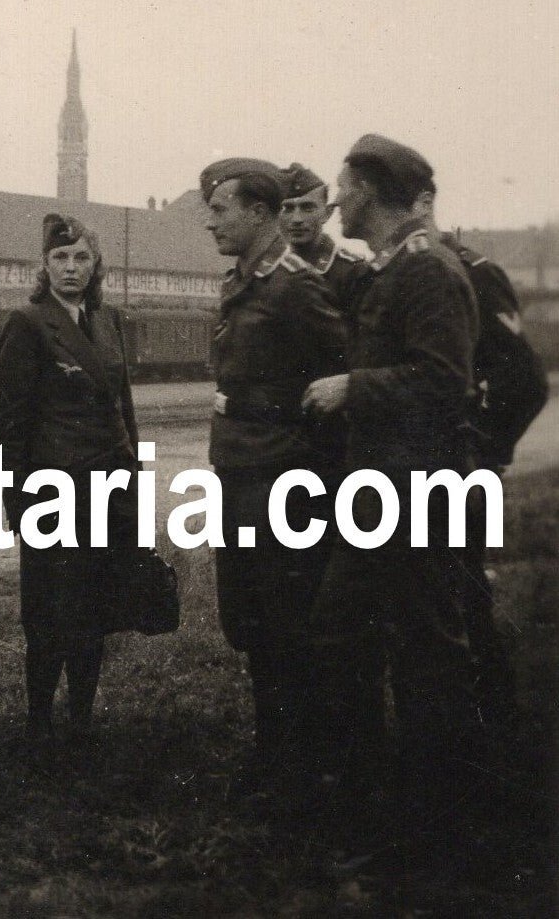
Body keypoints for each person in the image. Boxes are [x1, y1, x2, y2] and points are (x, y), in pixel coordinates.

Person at [302, 134, 484, 843]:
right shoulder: (392, 269)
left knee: (426, 648)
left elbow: (443, 381)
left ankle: (439, 812)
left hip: (414, 491)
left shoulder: (428, 271)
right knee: (346, 633)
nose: (335, 202)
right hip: (381, 492)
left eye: (342, 189)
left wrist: (356, 386)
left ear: (370, 193)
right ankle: (381, 795)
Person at [0, 214, 178, 757]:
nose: (70, 268)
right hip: (54, 493)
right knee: (49, 612)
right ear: (44, 266)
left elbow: (124, 409)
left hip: (110, 489)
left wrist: (136, 484)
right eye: (59, 258)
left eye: (80, 258)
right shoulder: (28, 324)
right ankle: (38, 726)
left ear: (96, 266)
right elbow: (12, 422)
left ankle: (80, 723)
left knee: (94, 609)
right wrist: (16, 496)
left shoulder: (108, 321)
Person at [199, 159, 348, 799]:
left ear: (259, 213)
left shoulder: (293, 286)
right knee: (253, 620)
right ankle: (274, 754)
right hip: (240, 470)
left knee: (287, 621)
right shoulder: (241, 281)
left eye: (220, 209)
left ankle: (300, 765)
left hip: (283, 475)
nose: (210, 222)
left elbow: (343, 374)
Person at [413, 187, 549, 723]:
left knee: (464, 600)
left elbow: (525, 382)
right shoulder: (401, 276)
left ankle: (494, 731)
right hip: (414, 467)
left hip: (464, 470)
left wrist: (485, 454)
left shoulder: (474, 273)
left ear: (425, 204)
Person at [278, 162, 368, 316]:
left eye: (307, 208)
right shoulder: (276, 271)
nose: (296, 219)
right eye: (288, 209)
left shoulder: (353, 272)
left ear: (327, 213)